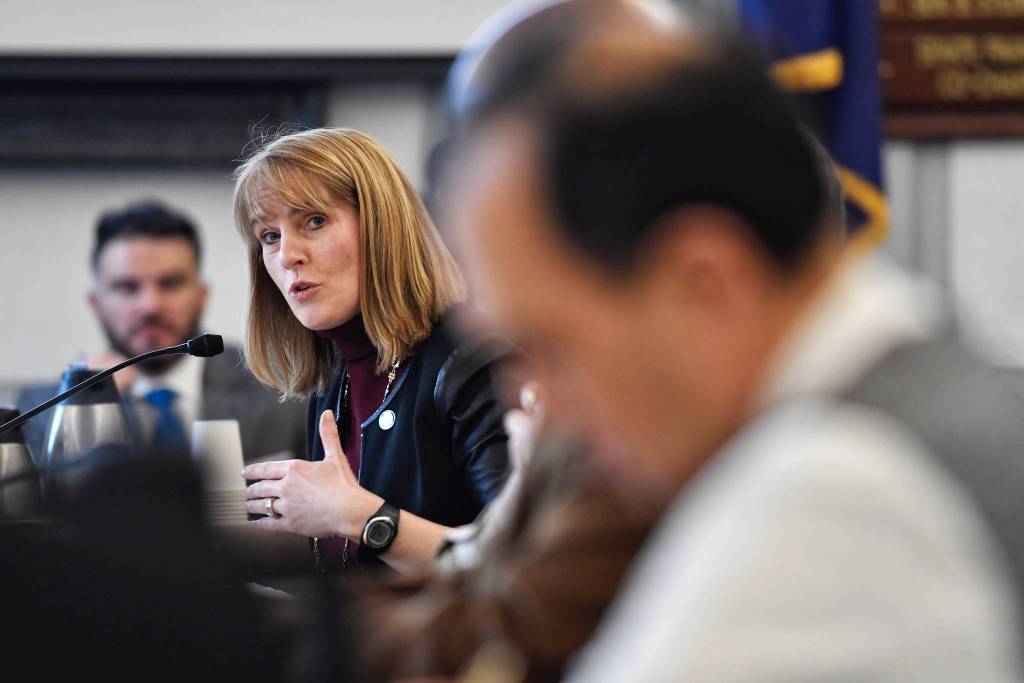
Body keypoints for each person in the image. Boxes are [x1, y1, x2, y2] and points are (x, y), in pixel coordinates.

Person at [448, 11, 1024, 682]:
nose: (550, 412)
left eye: (552, 347)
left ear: (706, 283)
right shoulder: (925, 379)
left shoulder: (837, 491)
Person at [233, 128, 511, 575]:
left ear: (384, 227)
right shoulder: (336, 378)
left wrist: (363, 518)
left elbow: (518, 563)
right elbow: (346, 554)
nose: (286, 255)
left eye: (314, 221)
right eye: (269, 236)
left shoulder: (473, 362)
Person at [16, 200, 307, 463]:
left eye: (170, 284)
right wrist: (87, 411)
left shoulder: (281, 386)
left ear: (201, 296)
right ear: (97, 304)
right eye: (128, 287)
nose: (150, 306)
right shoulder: (42, 411)